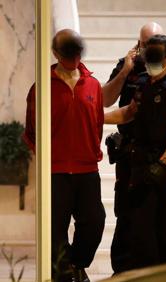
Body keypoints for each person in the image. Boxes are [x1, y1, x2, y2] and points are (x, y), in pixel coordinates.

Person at [103, 22, 166, 273]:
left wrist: (164, 162)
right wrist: (93, 116)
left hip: (165, 166)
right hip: (138, 163)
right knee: (136, 226)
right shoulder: (140, 79)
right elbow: (128, 112)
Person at [23, 29, 106, 282]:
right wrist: (49, 158)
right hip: (56, 171)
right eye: (68, 54)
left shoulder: (92, 84)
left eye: (77, 53)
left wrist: (90, 150)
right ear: (55, 53)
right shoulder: (42, 87)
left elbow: (98, 124)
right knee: (55, 229)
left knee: (94, 221)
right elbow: (31, 131)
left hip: (87, 169)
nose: (74, 59)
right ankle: (64, 274)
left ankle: (77, 265)